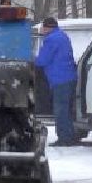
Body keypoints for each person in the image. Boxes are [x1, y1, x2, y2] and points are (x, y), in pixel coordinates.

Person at [36, 16, 79, 146]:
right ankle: (70, 135)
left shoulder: (51, 39)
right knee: (66, 109)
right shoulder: (62, 36)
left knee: (60, 110)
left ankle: (64, 138)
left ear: (48, 27)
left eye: (43, 27)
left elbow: (42, 60)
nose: (41, 29)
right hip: (69, 77)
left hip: (60, 79)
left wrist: (32, 61)